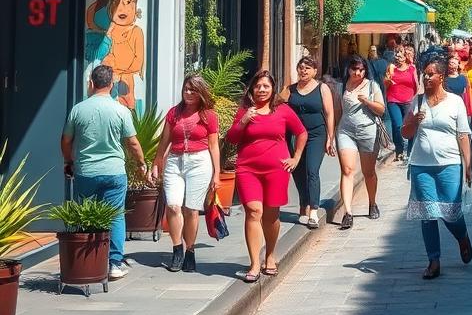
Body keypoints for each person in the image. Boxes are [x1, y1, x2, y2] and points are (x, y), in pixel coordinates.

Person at [60, 64, 146, 281]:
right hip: (114, 172)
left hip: (86, 171)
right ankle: (114, 263)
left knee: (88, 214)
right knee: (116, 215)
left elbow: (66, 140)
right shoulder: (121, 110)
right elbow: (133, 143)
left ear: (91, 83)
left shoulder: (78, 109)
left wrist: (69, 161)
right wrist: (141, 163)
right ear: (112, 84)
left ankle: (89, 260)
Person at [226, 70, 307, 283]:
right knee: (254, 211)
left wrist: (296, 158)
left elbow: (301, 132)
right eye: (258, 86)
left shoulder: (282, 110)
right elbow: (232, 138)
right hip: (247, 169)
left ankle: (270, 255)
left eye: (266, 86)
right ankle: (254, 263)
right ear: (252, 89)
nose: (261, 90)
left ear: (272, 90)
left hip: (276, 169)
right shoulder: (245, 110)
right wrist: (243, 121)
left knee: (271, 216)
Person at [402, 55, 472, 280]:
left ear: (441, 76)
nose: (426, 76)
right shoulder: (418, 101)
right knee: (428, 214)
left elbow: (463, 135)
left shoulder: (455, 102)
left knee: (450, 212)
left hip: (449, 164)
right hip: (421, 165)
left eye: (430, 73)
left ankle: (462, 236)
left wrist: (468, 165)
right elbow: (405, 133)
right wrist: (413, 121)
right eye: (424, 73)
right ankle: (433, 260)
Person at [150, 74, 220, 273]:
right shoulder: (174, 113)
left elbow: (214, 146)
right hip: (175, 160)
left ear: (201, 92)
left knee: (191, 209)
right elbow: (164, 140)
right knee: (173, 206)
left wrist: (216, 174)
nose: (188, 93)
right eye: (186, 89)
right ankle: (177, 248)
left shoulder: (209, 115)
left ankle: (190, 249)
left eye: (193, 89)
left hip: (199, 161)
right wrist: (158, 161)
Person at [280, 56, 335, 228]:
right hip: (295, 136)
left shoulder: (322, 88)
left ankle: (313, 210)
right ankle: (303, 205)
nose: (303, 71)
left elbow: (329, 113)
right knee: (297, 171)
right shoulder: (290, 89)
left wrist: (330, 138)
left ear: (315, 71)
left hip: (316, 135)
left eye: (308, 68)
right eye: (301, 67)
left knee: (312, 170)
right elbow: (277, 105)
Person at [335, 54, 386, 230]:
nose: (357, 72)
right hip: (345, 131)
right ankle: (348, 213)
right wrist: (330, 135)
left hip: (368, 131)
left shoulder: (373, 86)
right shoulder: (341, 87)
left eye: (361, 69)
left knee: (368, 172)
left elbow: (381, 109)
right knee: (347, 170)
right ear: (348, 69)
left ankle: (372, 203)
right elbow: (336, 111)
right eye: (354, 69)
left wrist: (367, 101)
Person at [384, 45, 418, 163]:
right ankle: (399, 151)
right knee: (398, 125)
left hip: (408, 101)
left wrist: (416, 100)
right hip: (393, 99)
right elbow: (386, 85)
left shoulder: (412, 68)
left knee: (409, 125)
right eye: (396, 53)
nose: (397, 56)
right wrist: (387, 81)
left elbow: (416, 86)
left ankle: (410, 151)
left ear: (405, 57)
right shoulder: (391, 67)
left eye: (400, 54)